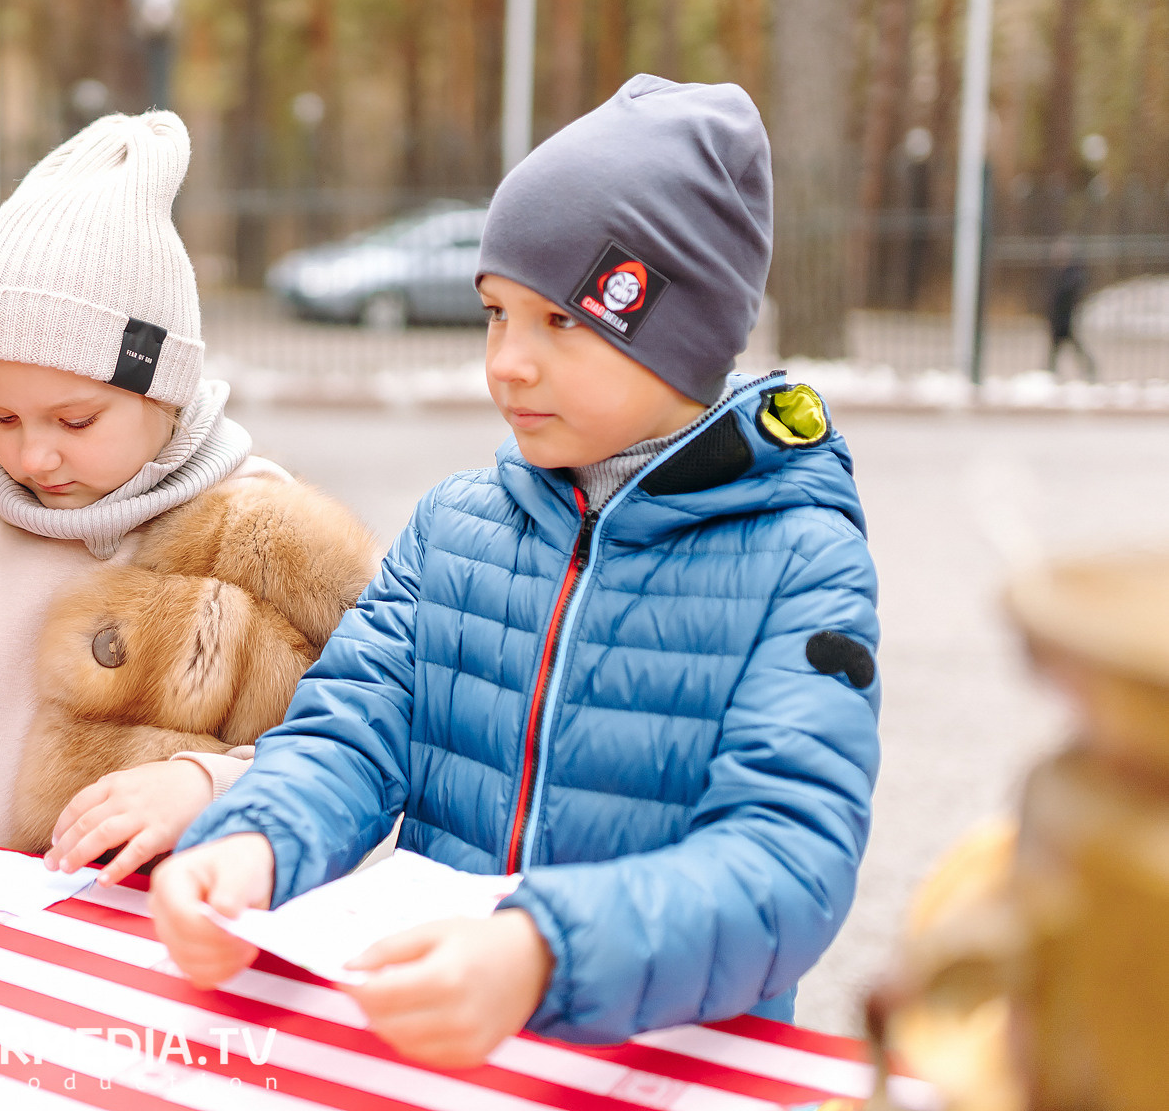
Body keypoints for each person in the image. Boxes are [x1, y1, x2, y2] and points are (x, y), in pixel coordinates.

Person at [150, 76, 882, 1064]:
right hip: (449, 1052)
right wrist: (254, 840)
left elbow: (786, 863)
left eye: (560, 321)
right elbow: (350, 730)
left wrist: (544, 951)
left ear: (682, 331)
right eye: (497, 312)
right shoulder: (455, 527)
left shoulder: (800, 559)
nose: (506, 362)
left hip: (667, 1071)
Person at [0, 112, 378, 881]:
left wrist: (206, 784)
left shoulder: (269, 556)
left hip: (125, 939)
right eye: (1, 417)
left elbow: (345, 761)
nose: (33, 455)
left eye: (76, 420)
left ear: (162, 389)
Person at [1046, 239, 1096, 380]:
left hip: (1066, 317)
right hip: (1059, 317)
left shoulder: (1072, 274)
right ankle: (1050, 370)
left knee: (1069, 346)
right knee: (1059, 348)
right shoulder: (1061, 273)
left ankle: (1089, 367)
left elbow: (1066, 295)